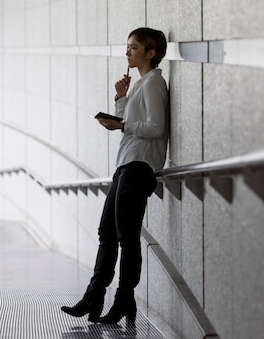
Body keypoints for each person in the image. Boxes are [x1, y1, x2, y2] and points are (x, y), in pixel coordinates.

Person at [61, 27, 169, 324]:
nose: (127, 52)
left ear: (151, 53)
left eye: (134, 47)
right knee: (107, 233)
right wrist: (121, 100)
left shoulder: (153, 84)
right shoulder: (139, 85)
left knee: (126, 236)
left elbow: (156, 128)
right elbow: (133, 122)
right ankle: (95, 295)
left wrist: (122, 126)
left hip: (140, 166)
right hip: (125, 165)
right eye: (128, 47)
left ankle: (123, 299)